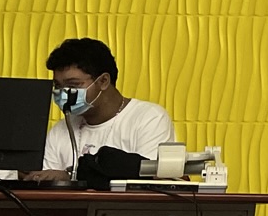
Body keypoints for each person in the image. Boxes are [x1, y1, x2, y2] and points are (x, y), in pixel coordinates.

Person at [33, 37, 177, 178]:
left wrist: (69, 177)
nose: (63, 92)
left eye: (73, 85)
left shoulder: (149, 119)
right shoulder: (62, 129)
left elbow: (148, 179)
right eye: (58, 86)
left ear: (103, 81)